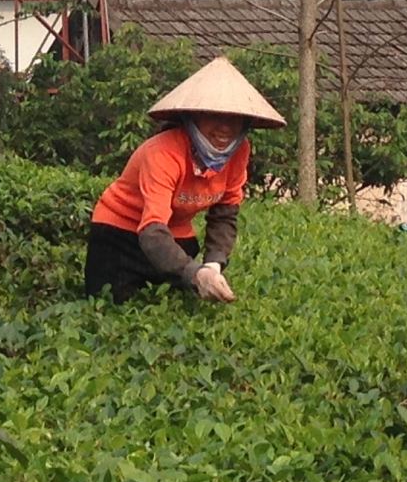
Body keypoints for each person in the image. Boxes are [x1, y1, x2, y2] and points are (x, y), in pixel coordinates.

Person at [85, 56, 286, 303]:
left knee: (178, 307)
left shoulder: (240, 151)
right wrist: (193, 273)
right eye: (214, 116)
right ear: (193, 117)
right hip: (119, 232)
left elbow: (225, 213)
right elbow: (152, 229)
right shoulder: (163, 152)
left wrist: (212, 265)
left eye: (234, 119)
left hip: (175, 234)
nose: (225, 128)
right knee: (109, 305)